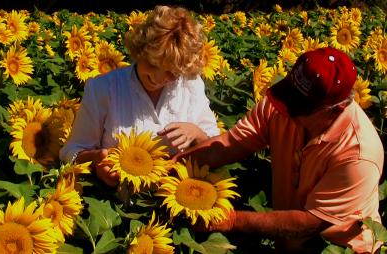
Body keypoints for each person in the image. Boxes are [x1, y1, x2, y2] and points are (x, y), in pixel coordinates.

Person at [175, 47, 384, 253]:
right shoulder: (280, 106)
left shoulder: (359, 155)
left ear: (336, 110)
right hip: (287, 239)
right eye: (288, 96)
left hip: (337, 247)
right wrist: (174, 164)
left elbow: (310, 222)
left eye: (298, 106)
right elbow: (229, 145)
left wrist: (231, 220)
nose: (285, 109)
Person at [59, 5, 220, 187]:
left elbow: (216, 147)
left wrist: (196, 134)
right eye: (152, 64)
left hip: (180, 198)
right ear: (140, 51)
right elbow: (70, 152)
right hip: (116, 203)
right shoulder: (103, 88)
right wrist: (95, 160)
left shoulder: (190, 85)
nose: (157, 78)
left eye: (172, 73)